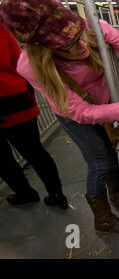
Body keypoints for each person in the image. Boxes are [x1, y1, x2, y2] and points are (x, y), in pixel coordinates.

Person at [0, 0, 119, 236]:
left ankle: (116, 193)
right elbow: (80, 111)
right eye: (68, 45)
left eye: (78, 35)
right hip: (76, 113)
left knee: (111, 150)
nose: (82, 45)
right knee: (99, 160)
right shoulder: (32, 66)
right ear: (45, 49)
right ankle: (103, 219)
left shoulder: (92, 27)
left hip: (107, 104)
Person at [0, 21, 68, 210]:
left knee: (3, 159)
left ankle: (24, 192)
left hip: (10, 99)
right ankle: (56, 194)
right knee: (35, 152)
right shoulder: (3, 31)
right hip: (19, 99)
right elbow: (18, 62)